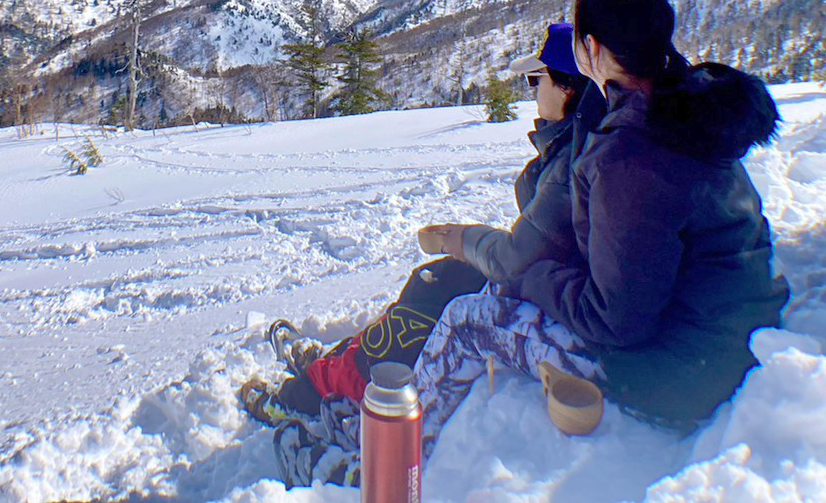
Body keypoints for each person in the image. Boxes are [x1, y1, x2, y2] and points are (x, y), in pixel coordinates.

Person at [411, 0, 788, 460]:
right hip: (733, 331)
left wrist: (536, 276)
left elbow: (615, 321)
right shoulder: (688, 108)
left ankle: (395, 465)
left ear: (590, 47)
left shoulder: (632, 153)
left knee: (469, 318)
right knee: (500, 290)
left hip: (685, 375)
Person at [248, 24, 602, 478]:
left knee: (436, 300)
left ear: (569, 88)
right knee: (432, 284)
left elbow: (519, 254)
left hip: (553, 299)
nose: (532, 93)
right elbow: (540, 239)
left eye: (537, 81)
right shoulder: (573, 146)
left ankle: (316, 395)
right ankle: (333, 366)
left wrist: (458, 238)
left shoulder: (571, 160)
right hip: (552, 285)